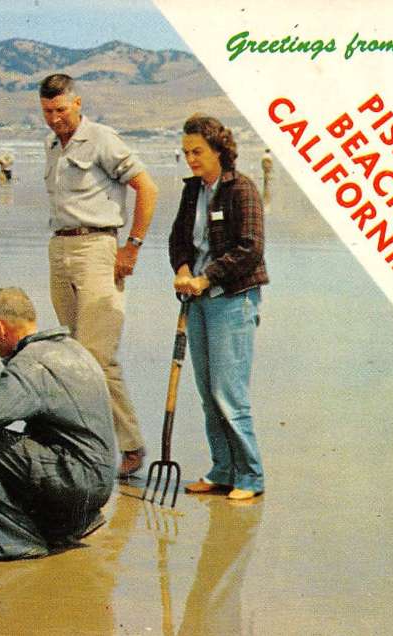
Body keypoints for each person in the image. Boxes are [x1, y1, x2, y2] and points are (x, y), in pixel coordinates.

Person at [0, 287, 117, 561]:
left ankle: (14, 544)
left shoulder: (31, 364)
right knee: (21, 439)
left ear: (0, 327)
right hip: (96, 480)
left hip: (77, 480)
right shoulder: (71, 348)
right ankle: (66, 525)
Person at [38, 73, 158, 479]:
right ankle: (85, 443)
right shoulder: (52, 145)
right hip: (61, 248)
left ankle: (130, 445)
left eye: (60, 110)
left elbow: (147, 188)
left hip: (97, 249)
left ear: (77, 102)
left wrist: (133, 246)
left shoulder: (102, 138)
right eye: (46, 112)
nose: (54, 119)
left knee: (97, 355)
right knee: (72, 355)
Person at [169, 114, 267, 501]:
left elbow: (250, 247)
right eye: (186, 152)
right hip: (197, 302)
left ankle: (251, 476)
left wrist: (205, 277)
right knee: (208, 393)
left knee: (229, 393)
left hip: (233, 299)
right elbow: (179, 237)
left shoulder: (241, 188)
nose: (191, 159)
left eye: (197, 151)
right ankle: (222, 469)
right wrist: (181, 270)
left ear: (218, 150)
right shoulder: (193, 190)